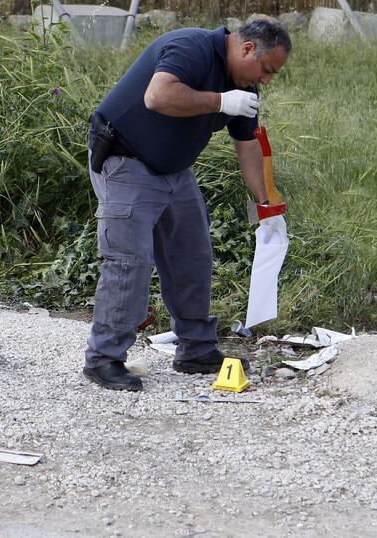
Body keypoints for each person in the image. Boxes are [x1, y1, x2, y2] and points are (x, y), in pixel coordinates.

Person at [83, 19, 292, 391]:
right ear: (246, 49)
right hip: (126, 160)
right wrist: (220, 101)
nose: (266, 80)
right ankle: (103, 360)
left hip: (175, 171)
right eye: (266, 70)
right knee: (129, 262)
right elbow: (157, 96)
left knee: (192, 256)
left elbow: (247, 147)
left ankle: (195, 350)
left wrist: (265, 206)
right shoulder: (191, 48)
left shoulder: (241, 86)